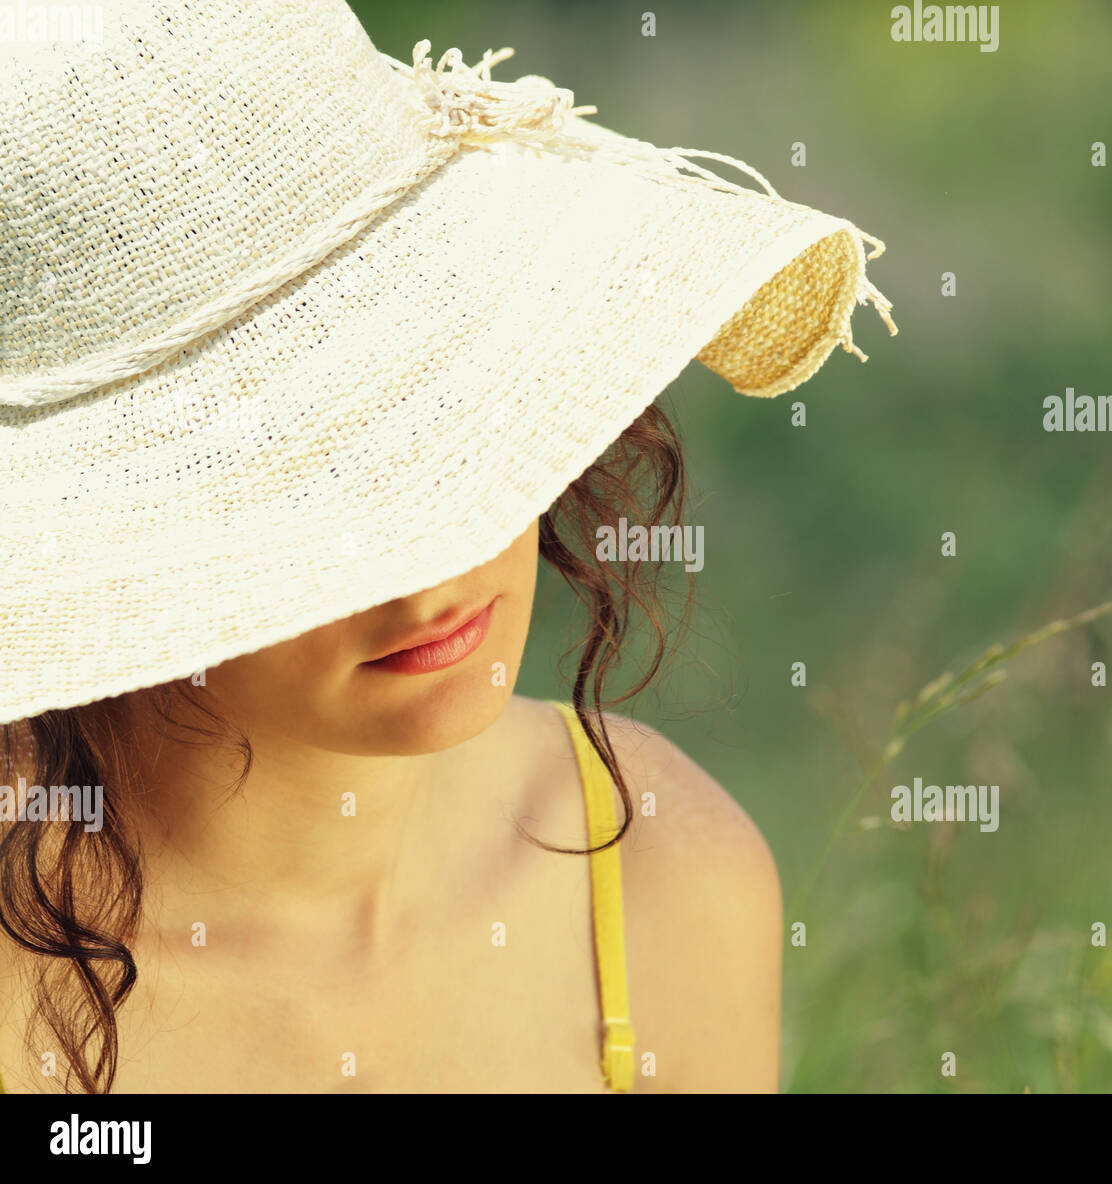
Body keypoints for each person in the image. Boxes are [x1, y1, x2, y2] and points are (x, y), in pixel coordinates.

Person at [0, 0, 895, 1093]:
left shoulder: (670, 877)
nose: (433, 567)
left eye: (440, 415)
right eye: (306, 474)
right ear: (102, 527)